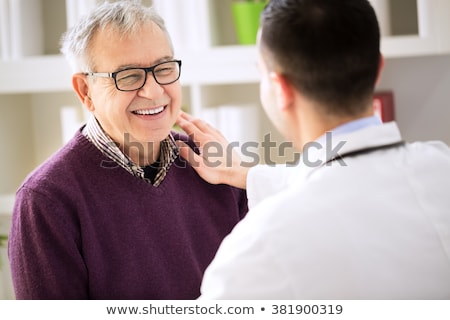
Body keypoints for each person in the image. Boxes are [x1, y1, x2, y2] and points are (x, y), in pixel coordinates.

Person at [176, 0, 450, 299]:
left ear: (280, 88)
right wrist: (249, 174)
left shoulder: (261, 248)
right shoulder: (439, 165)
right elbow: (352, 186)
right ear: (378, 68)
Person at [8, 1, 247, 299]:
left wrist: (248, 178)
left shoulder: (220, 168)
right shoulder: (46, 200)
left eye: (164, 68)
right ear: (86, 92)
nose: (154, 91)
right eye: (129, 76)